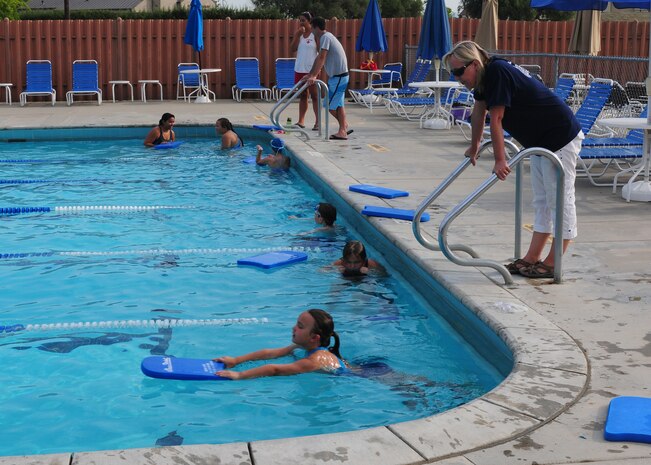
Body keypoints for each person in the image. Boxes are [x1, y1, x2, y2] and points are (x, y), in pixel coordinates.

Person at [442, 41, 583, 279]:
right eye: (452, 73)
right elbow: (479, 112)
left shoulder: (497, 72)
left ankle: (553, 261)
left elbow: (496, 119)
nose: (457, 78)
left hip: (559, 136)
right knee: (542, 201)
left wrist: (500, 159)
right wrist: (474, 145)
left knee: (559, 199)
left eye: (458, 71)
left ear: (474, 64)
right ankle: (532, 257)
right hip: (539, 141)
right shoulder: (485, 75)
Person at [214, 309, 347, 380]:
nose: (293, 328)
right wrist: (236, 360)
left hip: (353, 378)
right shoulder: (302, 347)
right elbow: (270, 353)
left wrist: (239, 375)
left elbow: (274, 369)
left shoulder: (314, 360)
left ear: (314, 338)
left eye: (300, 326)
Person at [303, 17, 352, 141]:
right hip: (337, 78)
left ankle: (343, 128)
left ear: (316, 27)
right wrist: (310, 74)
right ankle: (343, 127)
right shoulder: (327, 37)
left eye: (312, 28)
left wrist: (314, 76)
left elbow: (322, 58)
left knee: (330, 106)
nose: (312, 32)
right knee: (338, 105)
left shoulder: (325, 37)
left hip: (339, 78)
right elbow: (318, 57)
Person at [290, 11, 320, 130]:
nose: (301, 23)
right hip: (299, 69)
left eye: (303, 20)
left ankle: (318, 122)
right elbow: (292, 49)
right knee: (303, 95)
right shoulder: (300, 35)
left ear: (310, 22)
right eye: (299, 20)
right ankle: (301, 121)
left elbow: (320, 52)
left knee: (315, 96)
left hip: (312, 70)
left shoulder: (315, 35)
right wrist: (296, 36)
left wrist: (318, 69)